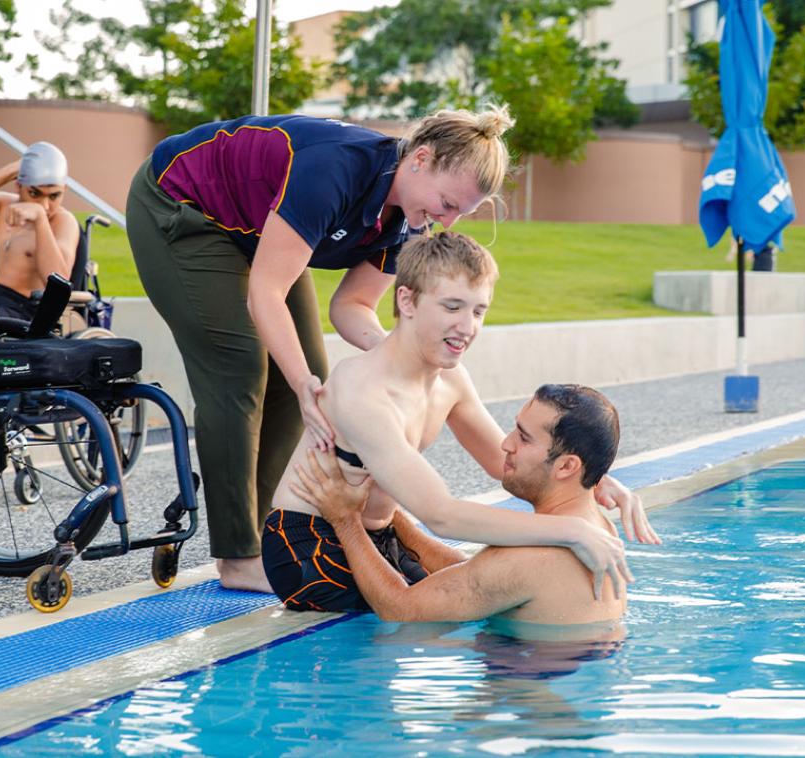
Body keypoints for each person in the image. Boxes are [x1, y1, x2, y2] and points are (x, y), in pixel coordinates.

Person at [126, 108, 517, 592]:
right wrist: (299, 381)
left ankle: (276, 529)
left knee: (310, 374)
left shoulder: (409, 224)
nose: (448, 220)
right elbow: (265, 294)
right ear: (420, 159)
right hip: (181, 206)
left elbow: (352, 306)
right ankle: (239, 556)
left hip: (251, 228)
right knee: (243, 368)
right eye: (447, 202)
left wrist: (399, 354)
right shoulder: (333, 171)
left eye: (461, 212)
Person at [261, 231, 657, 613]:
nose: (467, 327)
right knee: (415, 617)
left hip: (381, 534)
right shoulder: (362, 389)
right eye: (452, 307)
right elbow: (441, 515)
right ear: (408, 300)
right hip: (307, 545)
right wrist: (573, 530)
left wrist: (593, 476)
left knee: (486, 594)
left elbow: (503, 459)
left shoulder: (450, 379)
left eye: (478, 310)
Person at [292, 383, 632, 625]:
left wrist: (345, 519)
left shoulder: (528, 558)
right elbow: (476, 578)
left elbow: (400, 610)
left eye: (524, 438)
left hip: (526, 702)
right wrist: (392, 516)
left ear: (567, 466)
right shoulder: (597, 527)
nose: (506, 443)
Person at [0, 141, 80, 321]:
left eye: (54, 196)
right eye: (34, 193)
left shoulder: (63, 221)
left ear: (64, 190)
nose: (45, 205)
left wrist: (40, 221)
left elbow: (59, 282)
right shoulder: (4, 204)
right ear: (19, 185)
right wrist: (10, 170)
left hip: (19, 307)